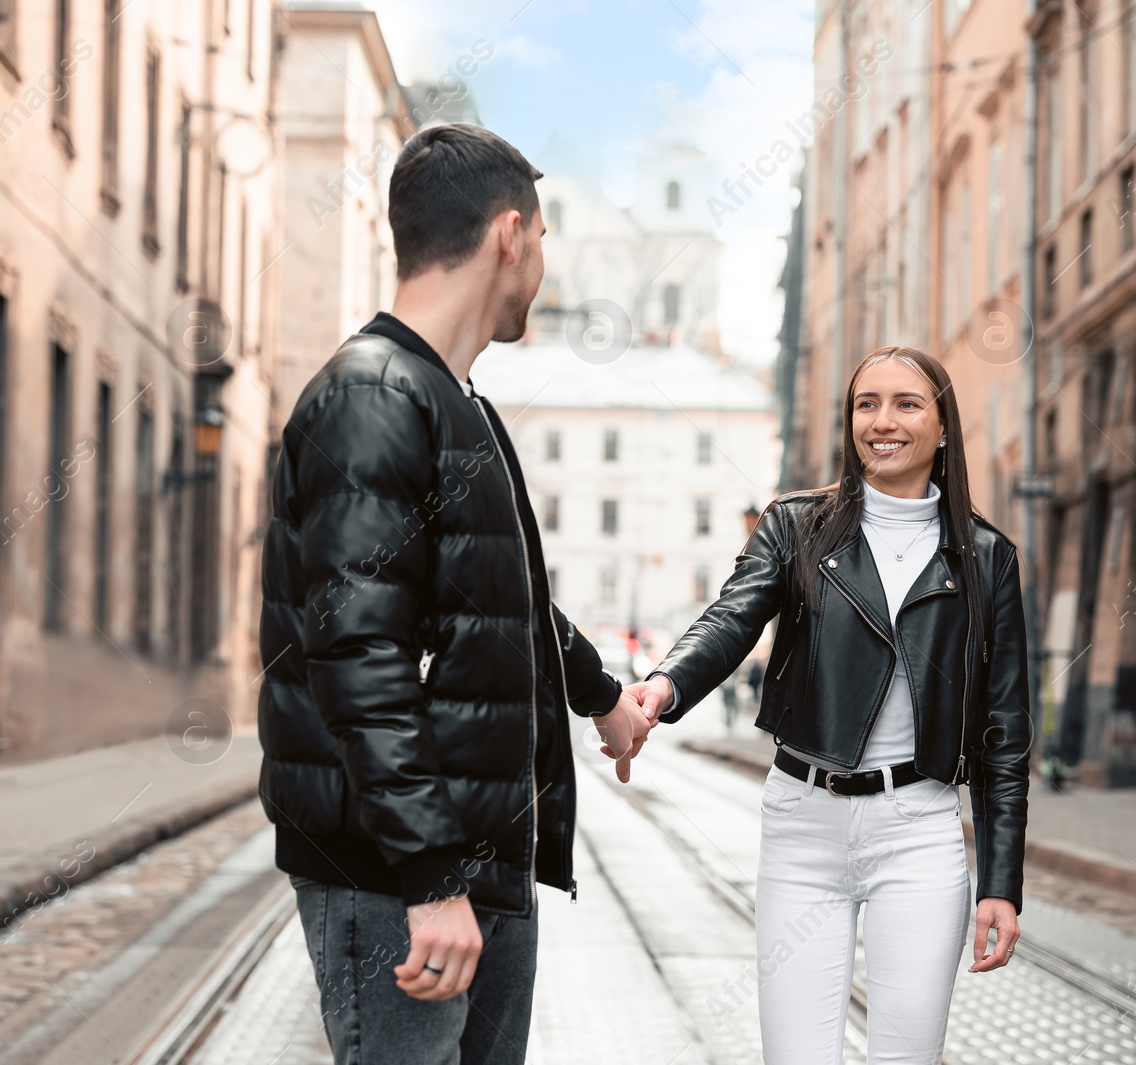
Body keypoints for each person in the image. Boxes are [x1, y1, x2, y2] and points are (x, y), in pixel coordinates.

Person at [256, 123, 650, 1065]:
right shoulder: (374, 396)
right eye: (545, 239)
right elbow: (356, 652)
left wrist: (601, 698)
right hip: (402, 873)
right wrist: (431, 877)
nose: (542, 265)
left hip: (471, 861)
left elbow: (501, 595)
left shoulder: (450, 399)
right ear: (510, 234)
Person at [628, 345, 1031, 1064]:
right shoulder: (796, 527)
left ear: (943, 426)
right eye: (865, 404)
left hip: (919, 829)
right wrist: (664, 685)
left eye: (907, 404)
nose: (882, 421)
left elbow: (1005, 733)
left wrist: (1001, 883)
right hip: (804, 824)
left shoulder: (986, 558)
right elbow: (731, 618)